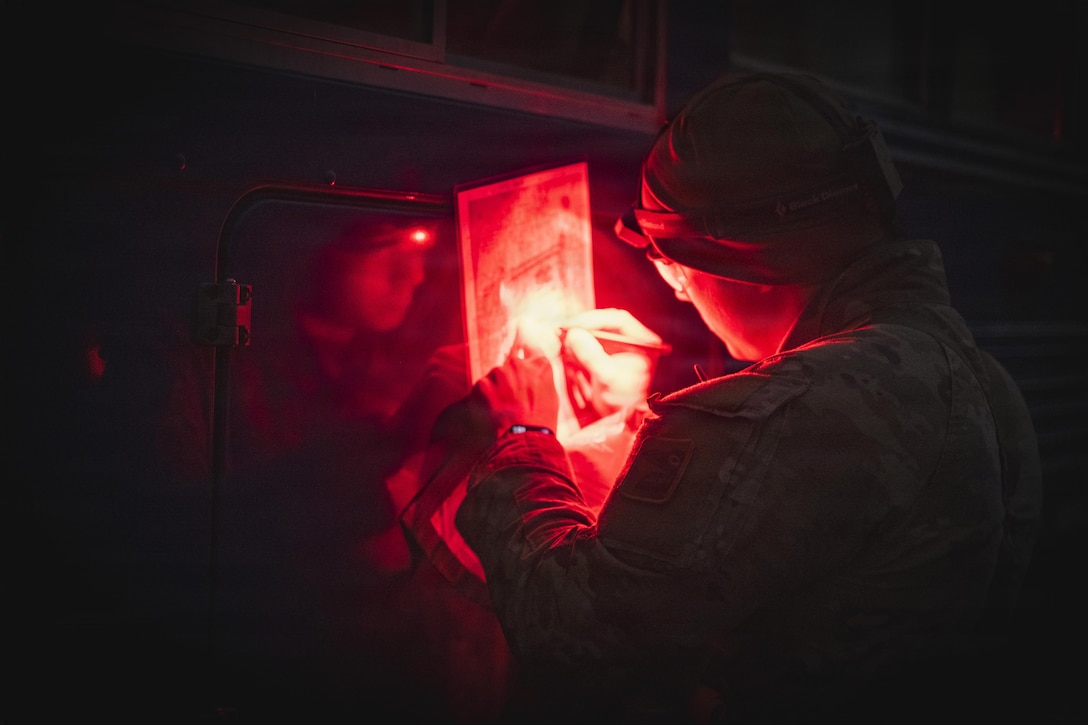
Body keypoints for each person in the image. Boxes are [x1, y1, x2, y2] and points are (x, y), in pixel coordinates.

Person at [409, 71, 1043, 723]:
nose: (677, 289)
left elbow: (573, 634)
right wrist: (640, 412)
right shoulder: (972, 372)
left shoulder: (788, 410)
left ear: (745, 263)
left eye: (670, 260)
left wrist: (522, 438)